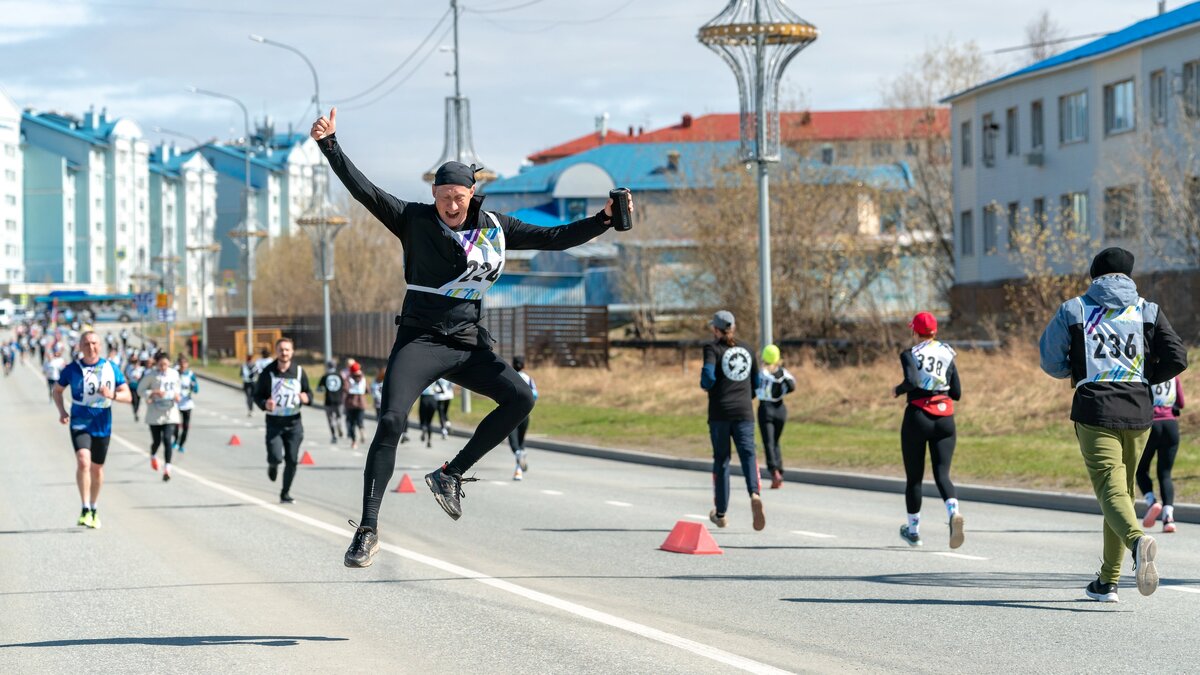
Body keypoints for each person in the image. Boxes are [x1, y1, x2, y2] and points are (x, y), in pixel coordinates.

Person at [311, 107, 631, 567]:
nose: (451, 205)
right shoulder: (414, 220)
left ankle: (451, 473)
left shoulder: (496, 228)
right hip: (421, 341)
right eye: (443, 197)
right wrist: (330, 145)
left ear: (472, 193)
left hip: (468, 342)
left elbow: (556, 237)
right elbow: (364, 191)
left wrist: (603, 218)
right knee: (390, 421)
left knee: (521, 398)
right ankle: (367, 530)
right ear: (434, 195)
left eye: (458, 197)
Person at [1039, 247, 1187, 602]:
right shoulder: (1147, 310)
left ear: (1094, 274)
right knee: (1119, 494)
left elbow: (1050, 359)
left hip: (1095, 408)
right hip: (1139, 409)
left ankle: (1137, 543)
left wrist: (1074, 372)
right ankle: (1107, 581)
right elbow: (1178, 357)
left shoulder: (1074, 308)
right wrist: (1145, 376)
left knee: (1111, 491)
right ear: (1130, 276)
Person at [893, 312, 964, 549]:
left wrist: (898, 389)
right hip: (945, 417)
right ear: (935, 331)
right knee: (942, 475)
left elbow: (912, 382)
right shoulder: (947, 352)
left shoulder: (910, 353)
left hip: (918, 416)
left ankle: (913, 531)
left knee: (914, 479)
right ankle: (953, 512)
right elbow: (956, 392)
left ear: (915, 331)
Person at [52, 331, 132, 528]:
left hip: (103, 422)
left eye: (95, 343)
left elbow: (128, 396)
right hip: (80, 421)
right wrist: (62, 411)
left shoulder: (110, 368)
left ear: (100, 346)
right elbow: (57, 390)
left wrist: (111, 394)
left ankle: (94, 507)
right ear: (80, 346)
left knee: (97, 468)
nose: (91, 347)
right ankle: (85, 507)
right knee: (83, 461)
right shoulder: (72, 369)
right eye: (87, 344)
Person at [700, 311, 765, 531]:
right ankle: (755, 494)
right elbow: (756, 382)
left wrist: (708, 385)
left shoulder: (712, 349)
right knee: (748, 456)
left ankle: (721, 513)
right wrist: (745, 398)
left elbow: (708, 378)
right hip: (744, 412)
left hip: (719, 413)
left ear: (716, 330)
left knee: (722, 461)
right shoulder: (747, 349)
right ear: (734, 328)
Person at [253, 338, 312, 504]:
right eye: (281, 350)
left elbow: (309, 393)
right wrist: (265, 404)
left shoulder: (299, 372)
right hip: (274, 423)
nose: (284, 353)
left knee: (292, 459)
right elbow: (257, 395)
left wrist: (306, 397)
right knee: (276, 457)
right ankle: (273, 465)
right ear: (276, 352)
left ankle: (285, 493)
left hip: (294, 423)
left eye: (287, 350)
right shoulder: (268, 372)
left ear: (292, 352)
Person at [1137, 377, 1184, 534]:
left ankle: (1152, 503)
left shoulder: (1147, 373)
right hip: (1171, 425)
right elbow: (1181, 403)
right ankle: (1168, 518)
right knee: (1165, 474)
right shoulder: (1174, 376)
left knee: (1141, 469)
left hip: (1151, 423)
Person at [756, 344, 795, 489]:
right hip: (780, 409)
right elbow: (792, 386)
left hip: (766, 409)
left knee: (768, 443)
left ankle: (774, 472)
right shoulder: (783, 372)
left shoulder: (761, 373)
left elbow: (753, 388)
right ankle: (780, 470)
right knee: (776, 442)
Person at [139, 352, 181, 481]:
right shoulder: (151, 376)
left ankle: (167, 468)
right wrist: (153, 393)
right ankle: (153, 456)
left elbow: (177, 389)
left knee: (168, 439)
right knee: (157, 441)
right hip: (155, 413)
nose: (163, 367)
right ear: (156, 364)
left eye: (166, 364)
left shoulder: (174, 374)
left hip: (170, 412)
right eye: (161, 364)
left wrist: (177, 395)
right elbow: (140, 390)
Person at [507, 357, 538, 481]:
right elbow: (535, 394)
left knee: (513, 441)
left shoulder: (509, 376)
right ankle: (518, 471)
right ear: (524, 365)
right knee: (521, 442)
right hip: (525, 414)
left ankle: (518, 455)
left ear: (513, 365)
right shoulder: (529, 379)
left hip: (511, 414)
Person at [317, 360, 346, 444]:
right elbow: (344, 386)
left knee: (330, 419)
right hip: (339, 400)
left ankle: (333, 435)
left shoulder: (325, 376)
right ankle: (339, 425)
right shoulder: (340, 375)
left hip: (328, 400)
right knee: (339, 416)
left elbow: (319, 388)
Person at [175, 356, 198, 454]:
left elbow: (196, 390)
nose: (183, 366)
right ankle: (175, 440)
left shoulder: (191, 374)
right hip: (176, 404)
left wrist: (193, 386)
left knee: (185, 426)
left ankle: (181, 445)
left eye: (185, 364)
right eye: (181, 364)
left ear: (187, 364)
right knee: (174, 425)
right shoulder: (174, 374)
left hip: (187, 404)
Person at [345, 363, 368, 449]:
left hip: (351, 403)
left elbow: (345, 389)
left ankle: (354, 441)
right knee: (360, 421)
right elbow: (367, 390)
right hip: (361, 403)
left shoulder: (349, 378)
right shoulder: (363, 378)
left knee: (351, 423)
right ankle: (362, 430)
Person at [125, 356, 146, 422]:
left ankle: (136, 411)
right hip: (132, 386)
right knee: (133, 399)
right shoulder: (130, 369)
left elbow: (144, 377)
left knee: (138, 400)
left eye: (136, 363)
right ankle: (135, 410)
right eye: (134, 363)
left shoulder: (142, 369)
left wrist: (139, 378)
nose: (135, 365)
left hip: (139, 387)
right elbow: (127, 375)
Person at [418, 382, 438, 449]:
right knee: (429, 422)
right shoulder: (436, 380)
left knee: (423, 419)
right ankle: (429, 441)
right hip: (433, 399)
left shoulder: (424, 379)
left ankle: (423, 428)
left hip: (424, 398)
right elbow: (442, 390)